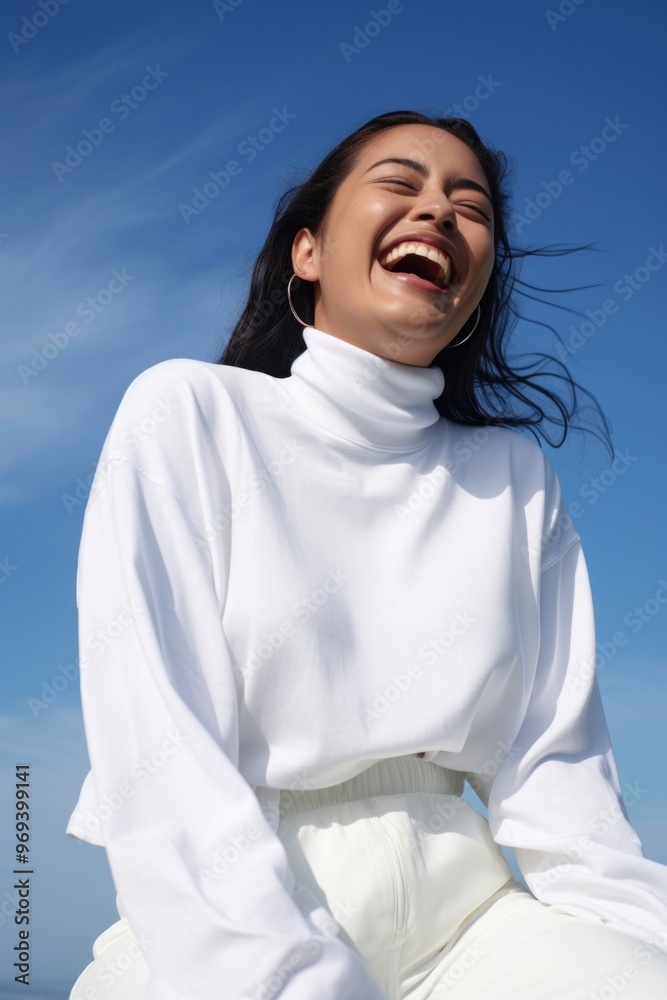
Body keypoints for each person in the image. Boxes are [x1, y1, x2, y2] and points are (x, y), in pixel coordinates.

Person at [66, 109, 667, 999]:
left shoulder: (514, 477)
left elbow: (558, 784)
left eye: (470, 206)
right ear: (306, 251)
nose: (437, 212)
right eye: (399, 183)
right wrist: (285, 977)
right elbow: (159, 749)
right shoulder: (189, 414)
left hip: (470, 925)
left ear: (476, 283)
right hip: (223, 917)